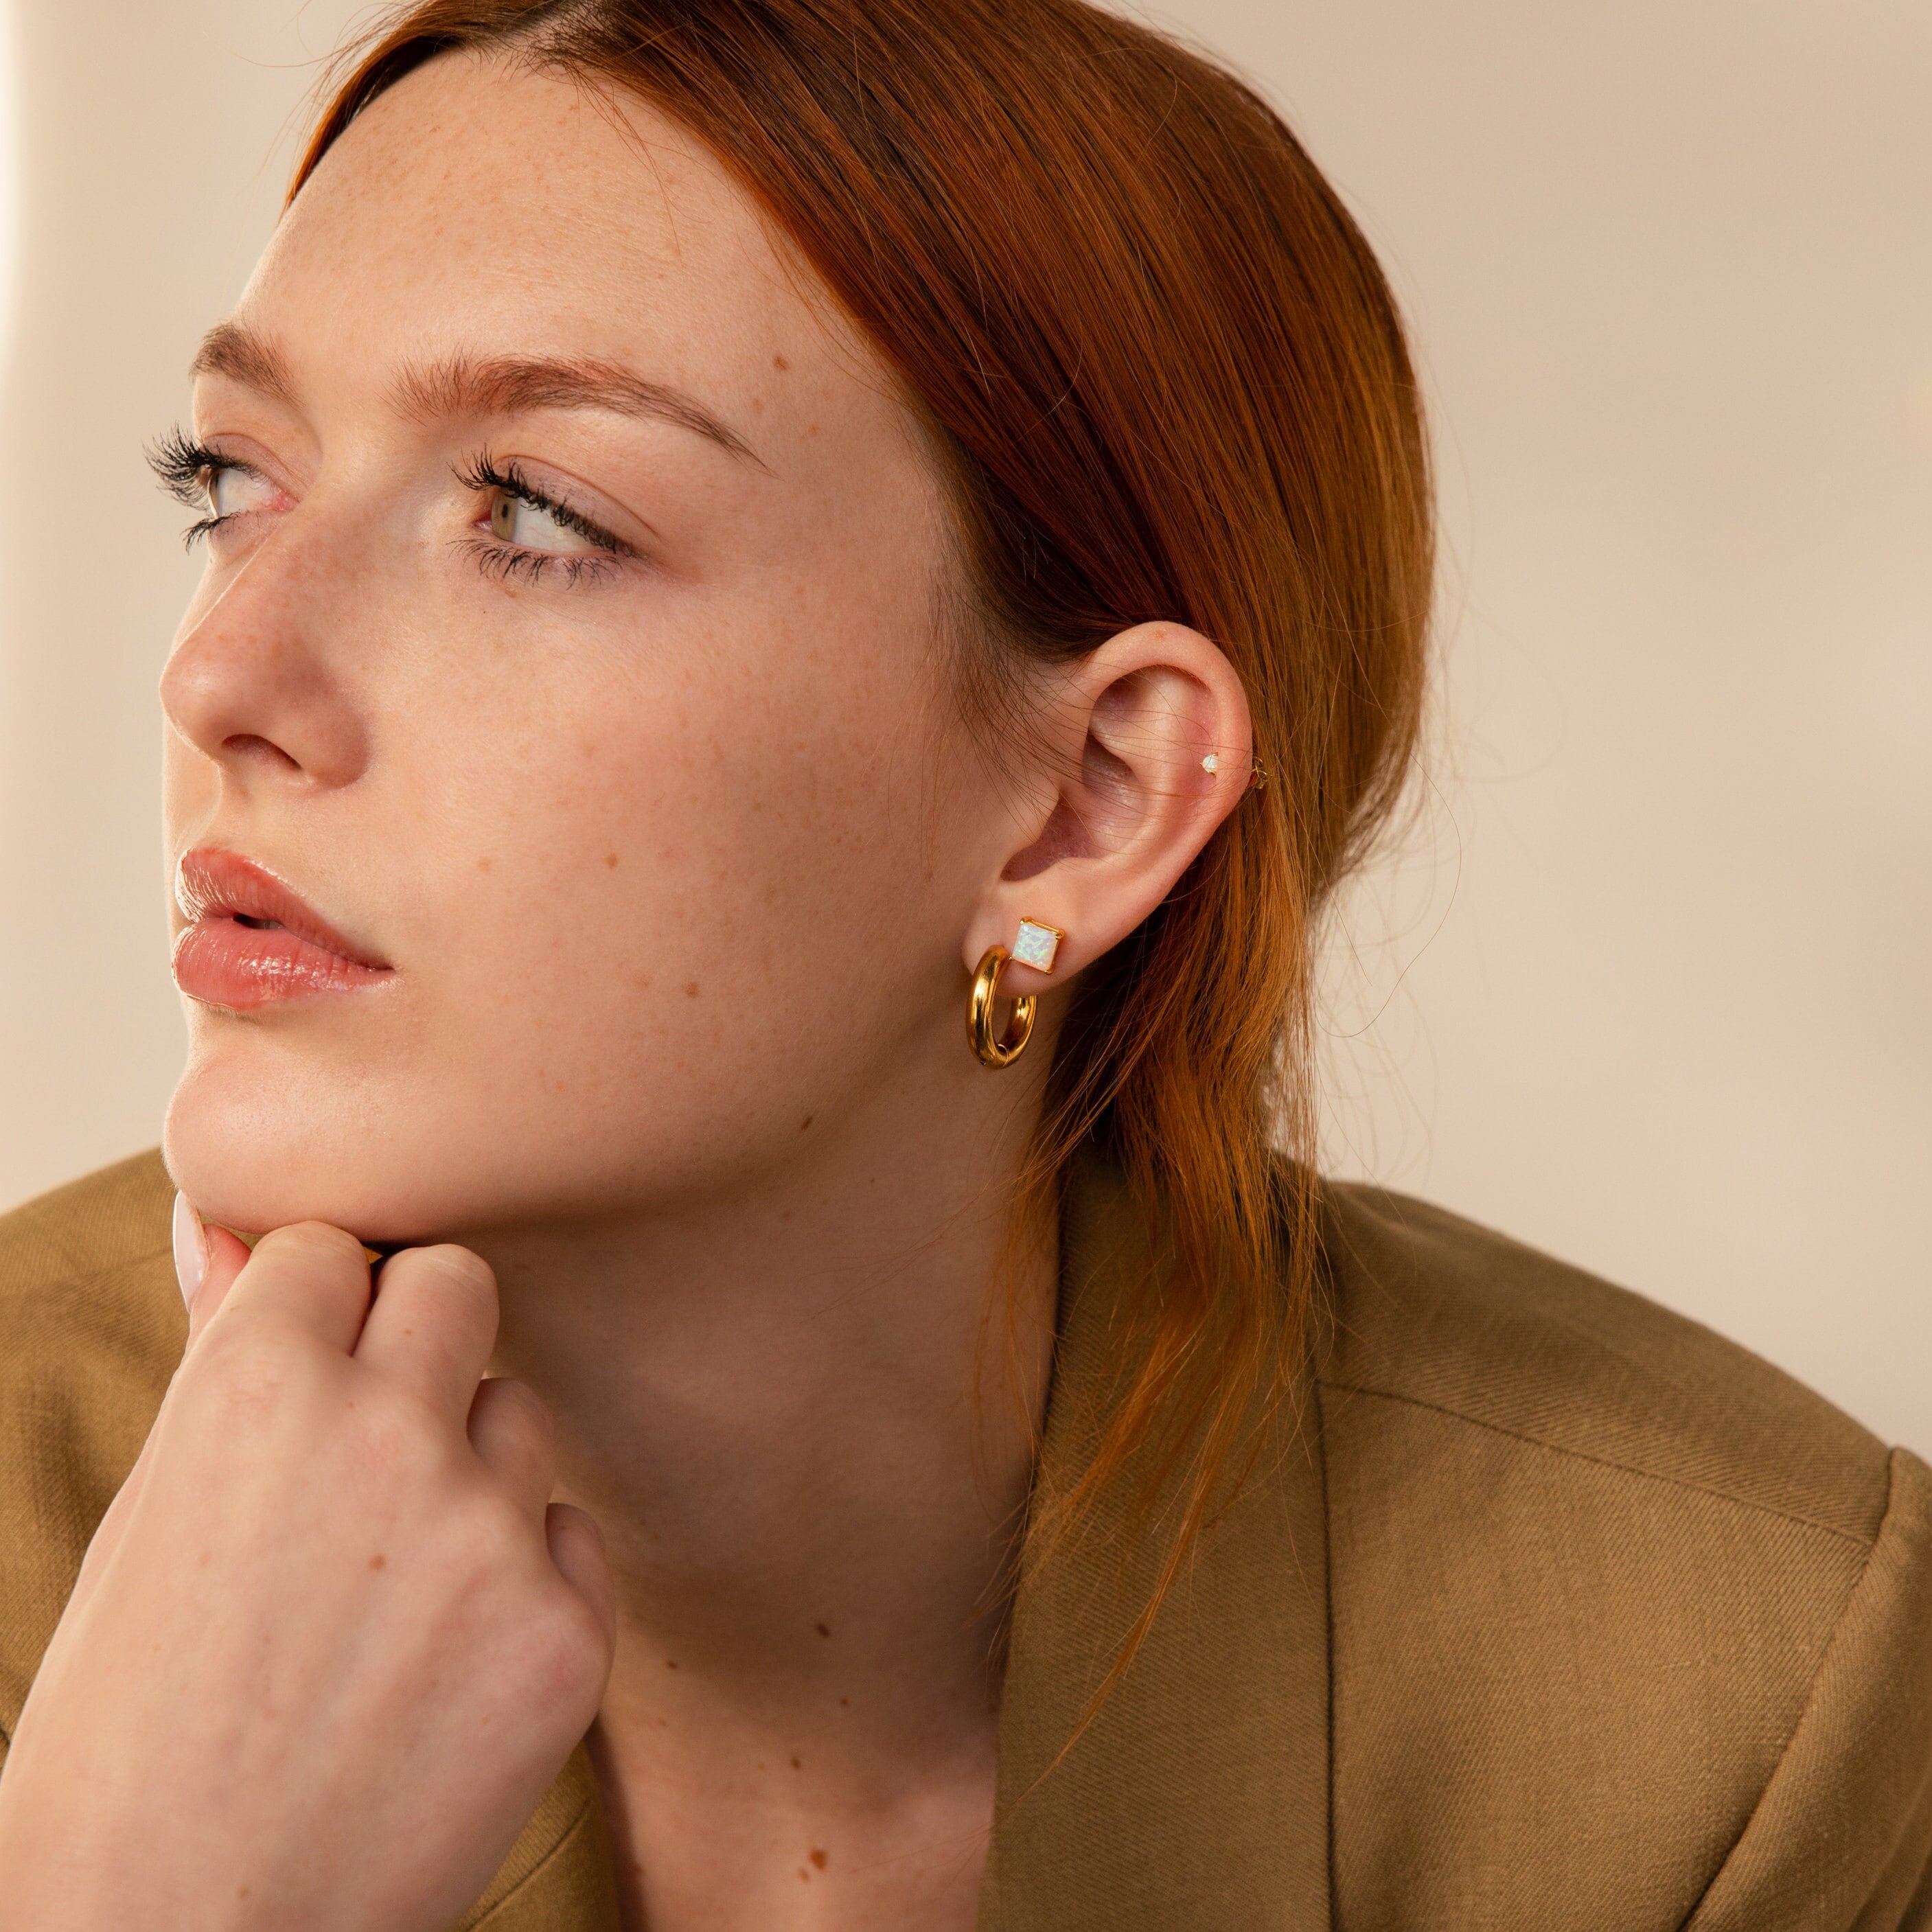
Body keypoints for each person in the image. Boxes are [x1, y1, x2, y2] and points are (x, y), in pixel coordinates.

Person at [0, 1, 1926, 1926]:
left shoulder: (1746, 1708)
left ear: (1088, 803)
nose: (221, 675)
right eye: (229, 481)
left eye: (533, 517)